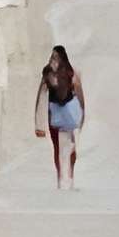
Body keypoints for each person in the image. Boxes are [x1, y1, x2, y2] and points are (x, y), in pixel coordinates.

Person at [33, 44, 86, 189]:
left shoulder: (71, 73)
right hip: (54, 117)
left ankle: (70, 174)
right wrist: (39, 124)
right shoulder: (47, 74)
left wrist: (81, 116)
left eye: (55, 57)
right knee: (57, 147)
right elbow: (41, 98)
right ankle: (60, 178)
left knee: (71, 148)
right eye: (52, 57)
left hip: (70, 116)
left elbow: (80, 97)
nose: (52, 60)